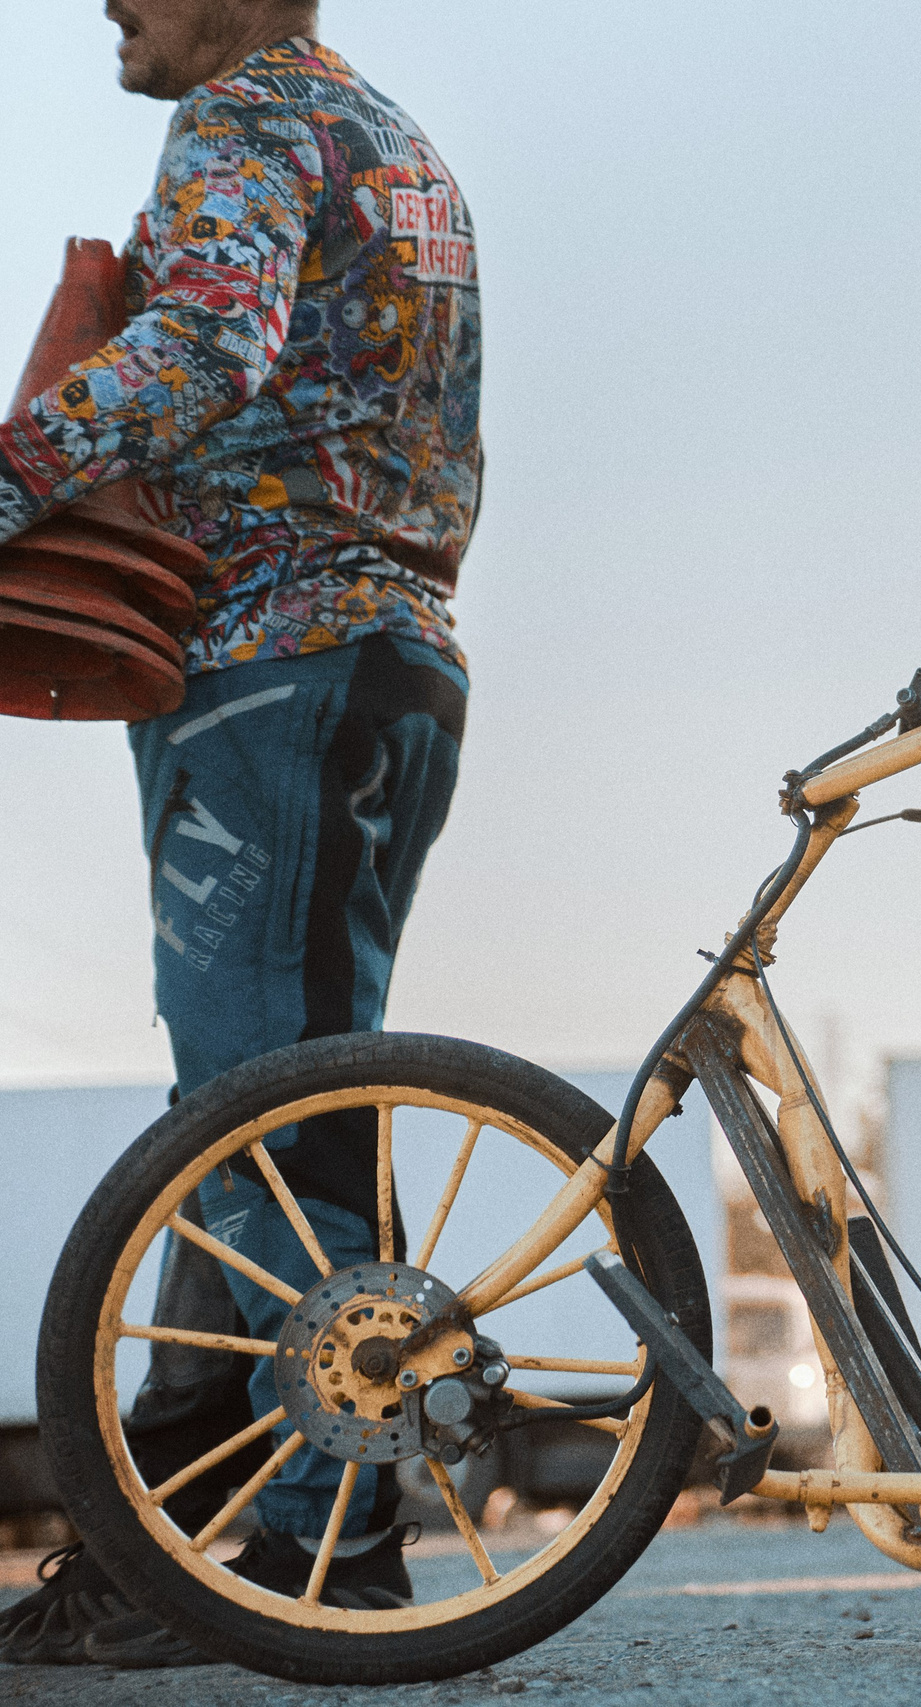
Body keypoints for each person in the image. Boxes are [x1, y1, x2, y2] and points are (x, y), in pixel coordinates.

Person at [0, 0, 479, 1669]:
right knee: (279, 1119)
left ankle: (328, 1551)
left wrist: (12, 471)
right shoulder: (399, 143)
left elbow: (209, 343)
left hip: (274, 664)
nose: (105, 3)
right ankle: (171, 1541)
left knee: (263, 1134)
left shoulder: (241, 120)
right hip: (398, 659)